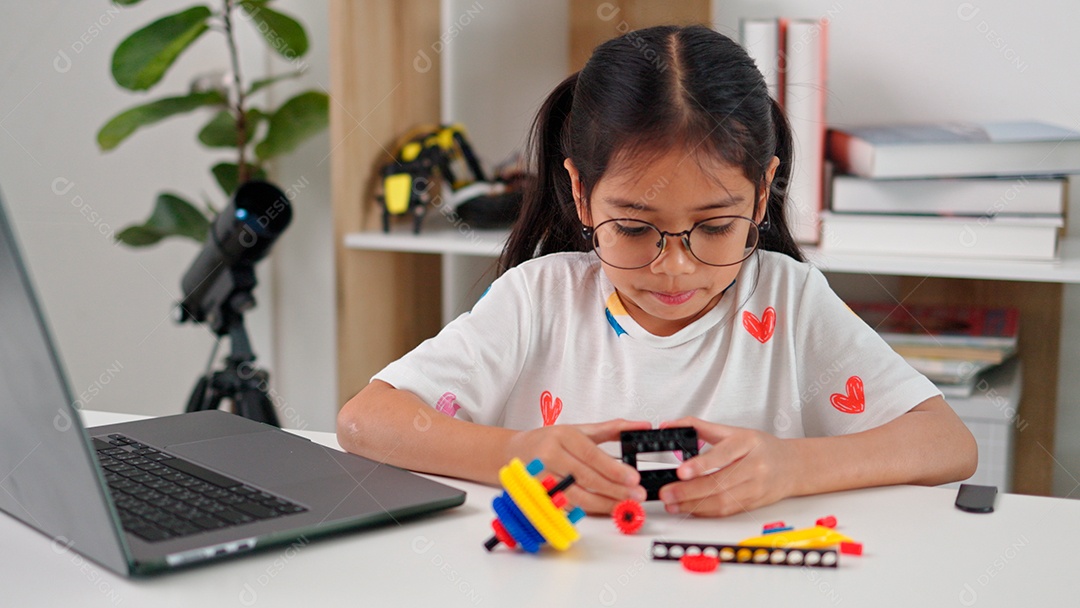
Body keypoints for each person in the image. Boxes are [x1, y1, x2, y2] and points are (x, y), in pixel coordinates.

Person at [337, 25, 977, 517]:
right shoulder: (540, 298)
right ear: (582, 195)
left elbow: (948, 443)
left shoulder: (789, 301)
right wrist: (512, 453)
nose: (674, 267)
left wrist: (792, 467)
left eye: (717, 227)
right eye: (636, 228)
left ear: (762, 193)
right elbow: (366, 420)